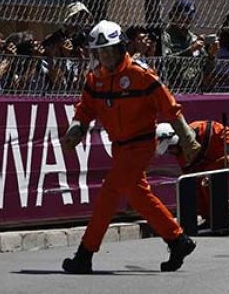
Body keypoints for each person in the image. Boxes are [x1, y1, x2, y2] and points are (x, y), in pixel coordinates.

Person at [58, 20, 200, 274]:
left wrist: (188, 138)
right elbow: (86, 110)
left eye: (111, 49)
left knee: (108, 194)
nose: (107, 56)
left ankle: (85, 254)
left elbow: (170, 107)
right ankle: (178, 240)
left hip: (141, 144)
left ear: (122, 47)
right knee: (138, 196)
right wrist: (75, 128)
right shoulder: (95, 79)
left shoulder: (141, 74)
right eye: (101, 52)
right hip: (120, 148)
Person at [156, 118, 229, 231]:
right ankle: (211, 219)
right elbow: (190, 176)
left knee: (208, 179)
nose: (171, 152)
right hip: (214, 165)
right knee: (196, 183)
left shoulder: (202, 129)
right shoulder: (182, 155)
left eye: (170, 149)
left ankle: (226, 218)